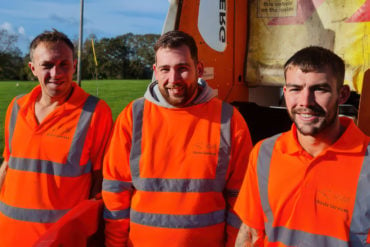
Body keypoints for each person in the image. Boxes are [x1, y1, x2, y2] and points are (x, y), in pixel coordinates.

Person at [102, 30, 253, 247]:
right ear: (155, 71)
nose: (173, 80)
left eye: (182, 68)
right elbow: (115, 191)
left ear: (199, 69)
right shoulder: (133, 116)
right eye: (165, 69)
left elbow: (241, 197)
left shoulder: (229, 119)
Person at [234, 46, 370, 246]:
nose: (305, 101)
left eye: (319, 89)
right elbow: (249, 232)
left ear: (342, 94)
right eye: (296, 89)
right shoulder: (265, 153)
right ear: (285, 92)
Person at [0, 29, 113, 246]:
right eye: (47, 65)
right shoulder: (16, 107)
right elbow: (8, 164)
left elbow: (101, 183)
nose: (56, 73)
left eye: (64, 64)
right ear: (33, 68)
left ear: (74, 65)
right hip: (9, 235)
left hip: (60, 240)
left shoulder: (96, 112)